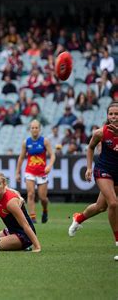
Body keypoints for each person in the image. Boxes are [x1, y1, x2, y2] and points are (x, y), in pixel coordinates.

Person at [70, 102, 118, 257]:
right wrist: (89, 168)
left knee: (100, 206)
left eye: (116, 114)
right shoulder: (100, 133)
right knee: (113, 203)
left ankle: (79, 218)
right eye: (111, 114)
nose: (113, 117)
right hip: (103, 170)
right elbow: (90, 148)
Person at [0, 172, 41, 252]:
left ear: (4, 184)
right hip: (11, 230)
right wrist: (19, 197)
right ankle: (19, 246)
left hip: (24, 234)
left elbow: (26, 225)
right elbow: (11, 191)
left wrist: (37, 246)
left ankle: (25, 245)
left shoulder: (11, 202)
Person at [16, 120, 56, 223]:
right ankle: (32, 217)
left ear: (40, 129)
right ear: (30, 129)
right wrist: (17, 172)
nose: (34, 130)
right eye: (32, 128)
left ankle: (45, 211)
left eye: (36, 128)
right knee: (30, 194)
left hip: (42, 172)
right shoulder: (26, 142)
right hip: (30, 171)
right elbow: (21, 158)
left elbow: (52, 155)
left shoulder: (44, 141)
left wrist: (49, 166)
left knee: (43, 198)